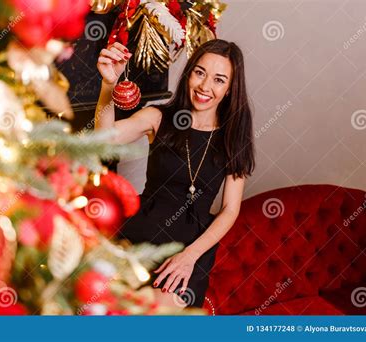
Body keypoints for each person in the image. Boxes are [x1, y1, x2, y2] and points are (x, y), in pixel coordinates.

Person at [95, 39, 255, 309]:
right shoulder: (158, 117)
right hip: (140, 233)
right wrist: (108, 86)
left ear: (229, 89)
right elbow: (104, 140)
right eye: (200, 73)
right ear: (189, 73)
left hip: (190, 247)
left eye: (219, 79)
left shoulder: (234, 138)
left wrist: (189, 256)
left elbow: (229, 210)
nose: (205, 87)